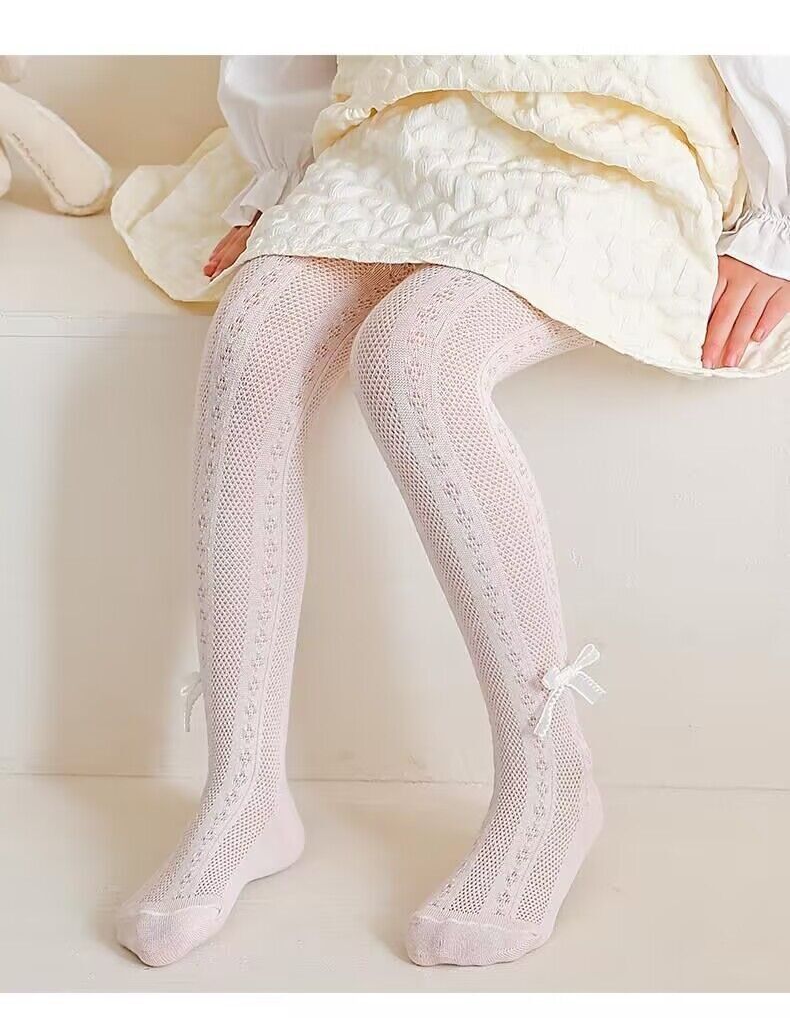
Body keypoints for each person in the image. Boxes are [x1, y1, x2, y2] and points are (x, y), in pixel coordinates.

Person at [116, 55, 790, 968]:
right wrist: (280, 168)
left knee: (415, 359)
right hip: (408, 118)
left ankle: (550, 783)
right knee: (251, 341)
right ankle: (241, 793)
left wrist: (779, 219)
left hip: (614, 136)